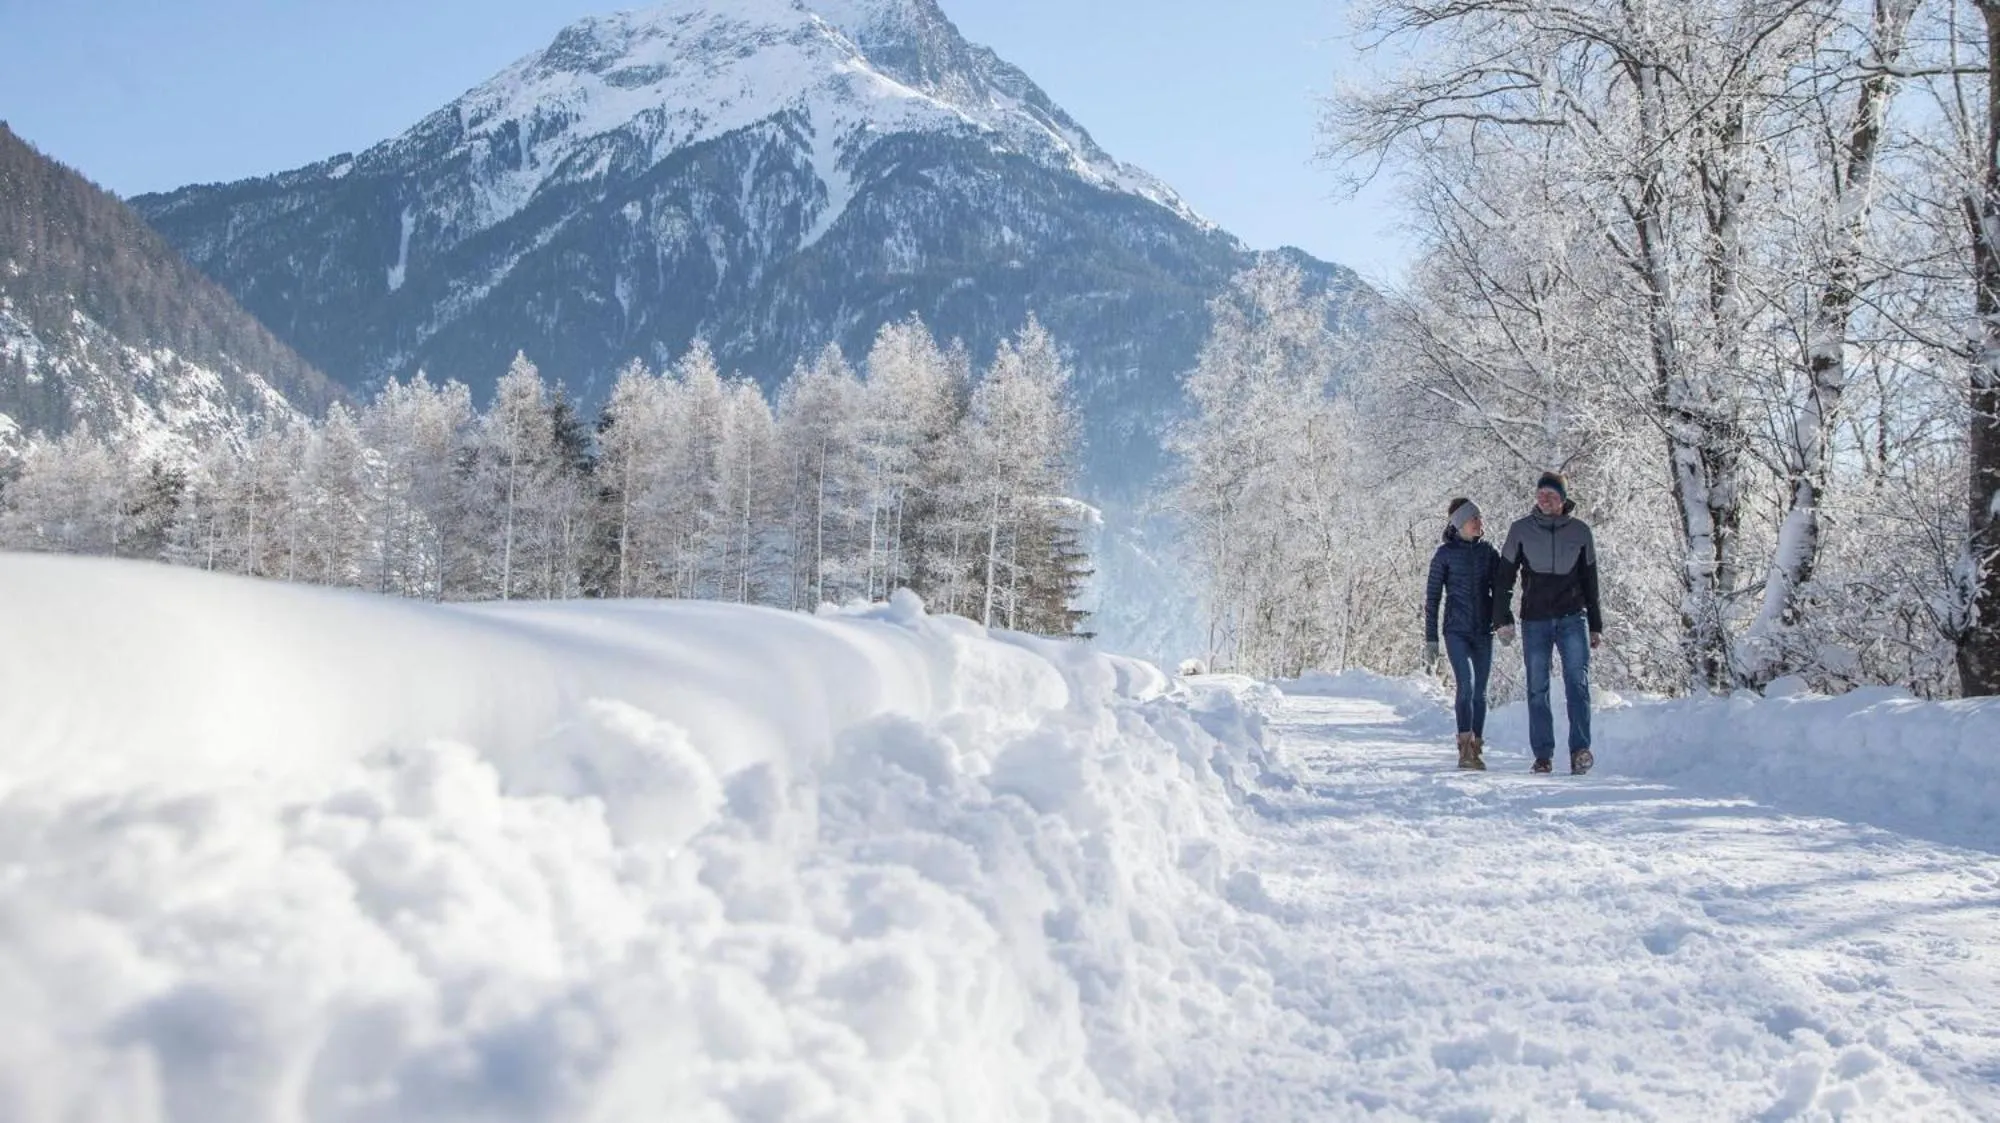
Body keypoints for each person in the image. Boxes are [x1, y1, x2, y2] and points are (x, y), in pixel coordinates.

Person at [1494, 472, 1605, 774]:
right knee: (1537, 687)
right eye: (1541, 493)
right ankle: (1543, 755)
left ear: (1563, 499)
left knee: (1577, 684)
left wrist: (1595, 624)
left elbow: (1590, 581)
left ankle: (1580, 750)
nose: (1544, 499)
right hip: (1535, 619)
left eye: (1551, 495)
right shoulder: (1520, 530)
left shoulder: (1581, 532)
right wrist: (1502, 617)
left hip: (1573, 617)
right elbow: (1505, 578)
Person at [1424, 497, 1500, 770]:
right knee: (1465, 686)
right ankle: (1464, 746)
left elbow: (1502, 590)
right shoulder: (1444, 555)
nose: (1480, 523)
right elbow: (1432, 599)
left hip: (1483, 631)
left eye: (1480, 517)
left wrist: (1503, 621)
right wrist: (1430, 638)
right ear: (1460, 524)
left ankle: (1477, 747)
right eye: (1474, 519)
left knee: (1480, 691)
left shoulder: (1489, 553)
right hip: (1456, 630)